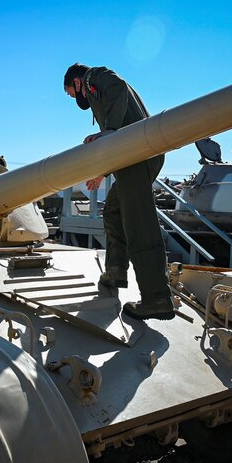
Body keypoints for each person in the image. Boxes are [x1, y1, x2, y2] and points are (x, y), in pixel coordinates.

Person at [63, 63, 175, 321]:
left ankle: (157, 299)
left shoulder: (95, 76)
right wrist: (104, 170)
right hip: (132, 157)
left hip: (135, 156)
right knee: (113, 211)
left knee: (140, 226)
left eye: (71, 92)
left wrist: (110, 130)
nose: (74, 98)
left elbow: (117, 86)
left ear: (77, 82)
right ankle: (115, 269)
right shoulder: (98, 87)